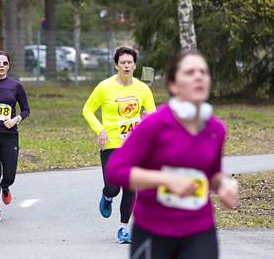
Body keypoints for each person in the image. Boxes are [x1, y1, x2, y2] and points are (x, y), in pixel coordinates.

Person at [105, 51, 238, 258]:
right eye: (190, 72)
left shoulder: (215, 129)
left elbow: (213, 173)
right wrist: (165, 180)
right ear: (173, 85)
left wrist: (223, 185)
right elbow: (115, 171)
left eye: (203, 72)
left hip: (200, 230)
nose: (198, 77)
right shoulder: (154, 125)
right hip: (153, 231)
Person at [82, 46, 156, 243]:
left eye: (129, 62)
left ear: (135, 65)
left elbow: (153, 115)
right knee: (114, 186)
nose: (126, 65)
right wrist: (100, 130)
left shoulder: (142, 89)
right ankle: (107, 196)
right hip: (111, 144)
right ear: (116, 65)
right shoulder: (104, 87)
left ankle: (123, 228)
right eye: (122, 62)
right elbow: (87, 110)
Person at [0, 51, 30, 223]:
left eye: (4, 63)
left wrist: (16, 119)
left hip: (10, 135)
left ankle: (5, 186)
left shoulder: (16, 86)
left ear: (8, 66)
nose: (1, 66)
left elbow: (26, 109)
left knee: (9, 175)